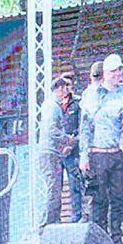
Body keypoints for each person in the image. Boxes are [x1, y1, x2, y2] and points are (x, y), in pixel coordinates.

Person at [80, 53, 123, 244]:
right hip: (97, 153)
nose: (118, 73)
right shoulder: (92, 94)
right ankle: (98, 242)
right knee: (99, 200)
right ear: (105, 73)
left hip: (115, 152)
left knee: (118, 197)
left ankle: (116, 239)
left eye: (120, 70)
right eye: (114, 70)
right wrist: (83, 155)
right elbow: (85, 127)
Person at [38, 74, 80, 227]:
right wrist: (67, 139)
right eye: (63, 88)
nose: (66, 91)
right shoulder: (52, 106)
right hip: (49, 153)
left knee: (56, 188)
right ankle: (48, 224)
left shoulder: (51, 105)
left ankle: (53, 222)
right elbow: (51, 130)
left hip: (52, 152)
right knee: (54, 190)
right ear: (58, 88)